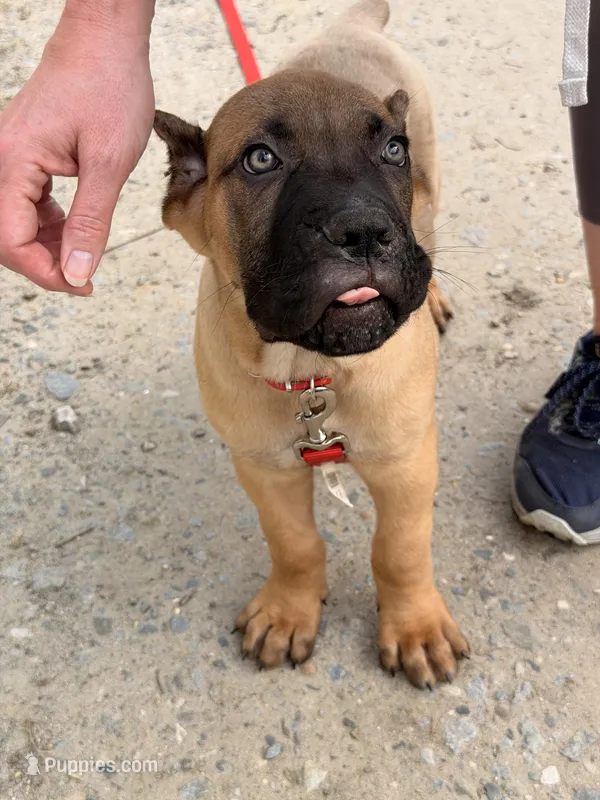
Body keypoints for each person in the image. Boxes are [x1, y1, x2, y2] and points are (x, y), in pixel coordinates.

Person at [0, 0, 598, 543]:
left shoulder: (396, 112)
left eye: (390, 150)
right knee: (265, 461)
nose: (359, 222)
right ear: (189, 202)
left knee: (406, 259)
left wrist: (408, 589)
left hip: (380, 73)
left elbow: (409, 481)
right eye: (261, 161)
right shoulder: (207, 214)